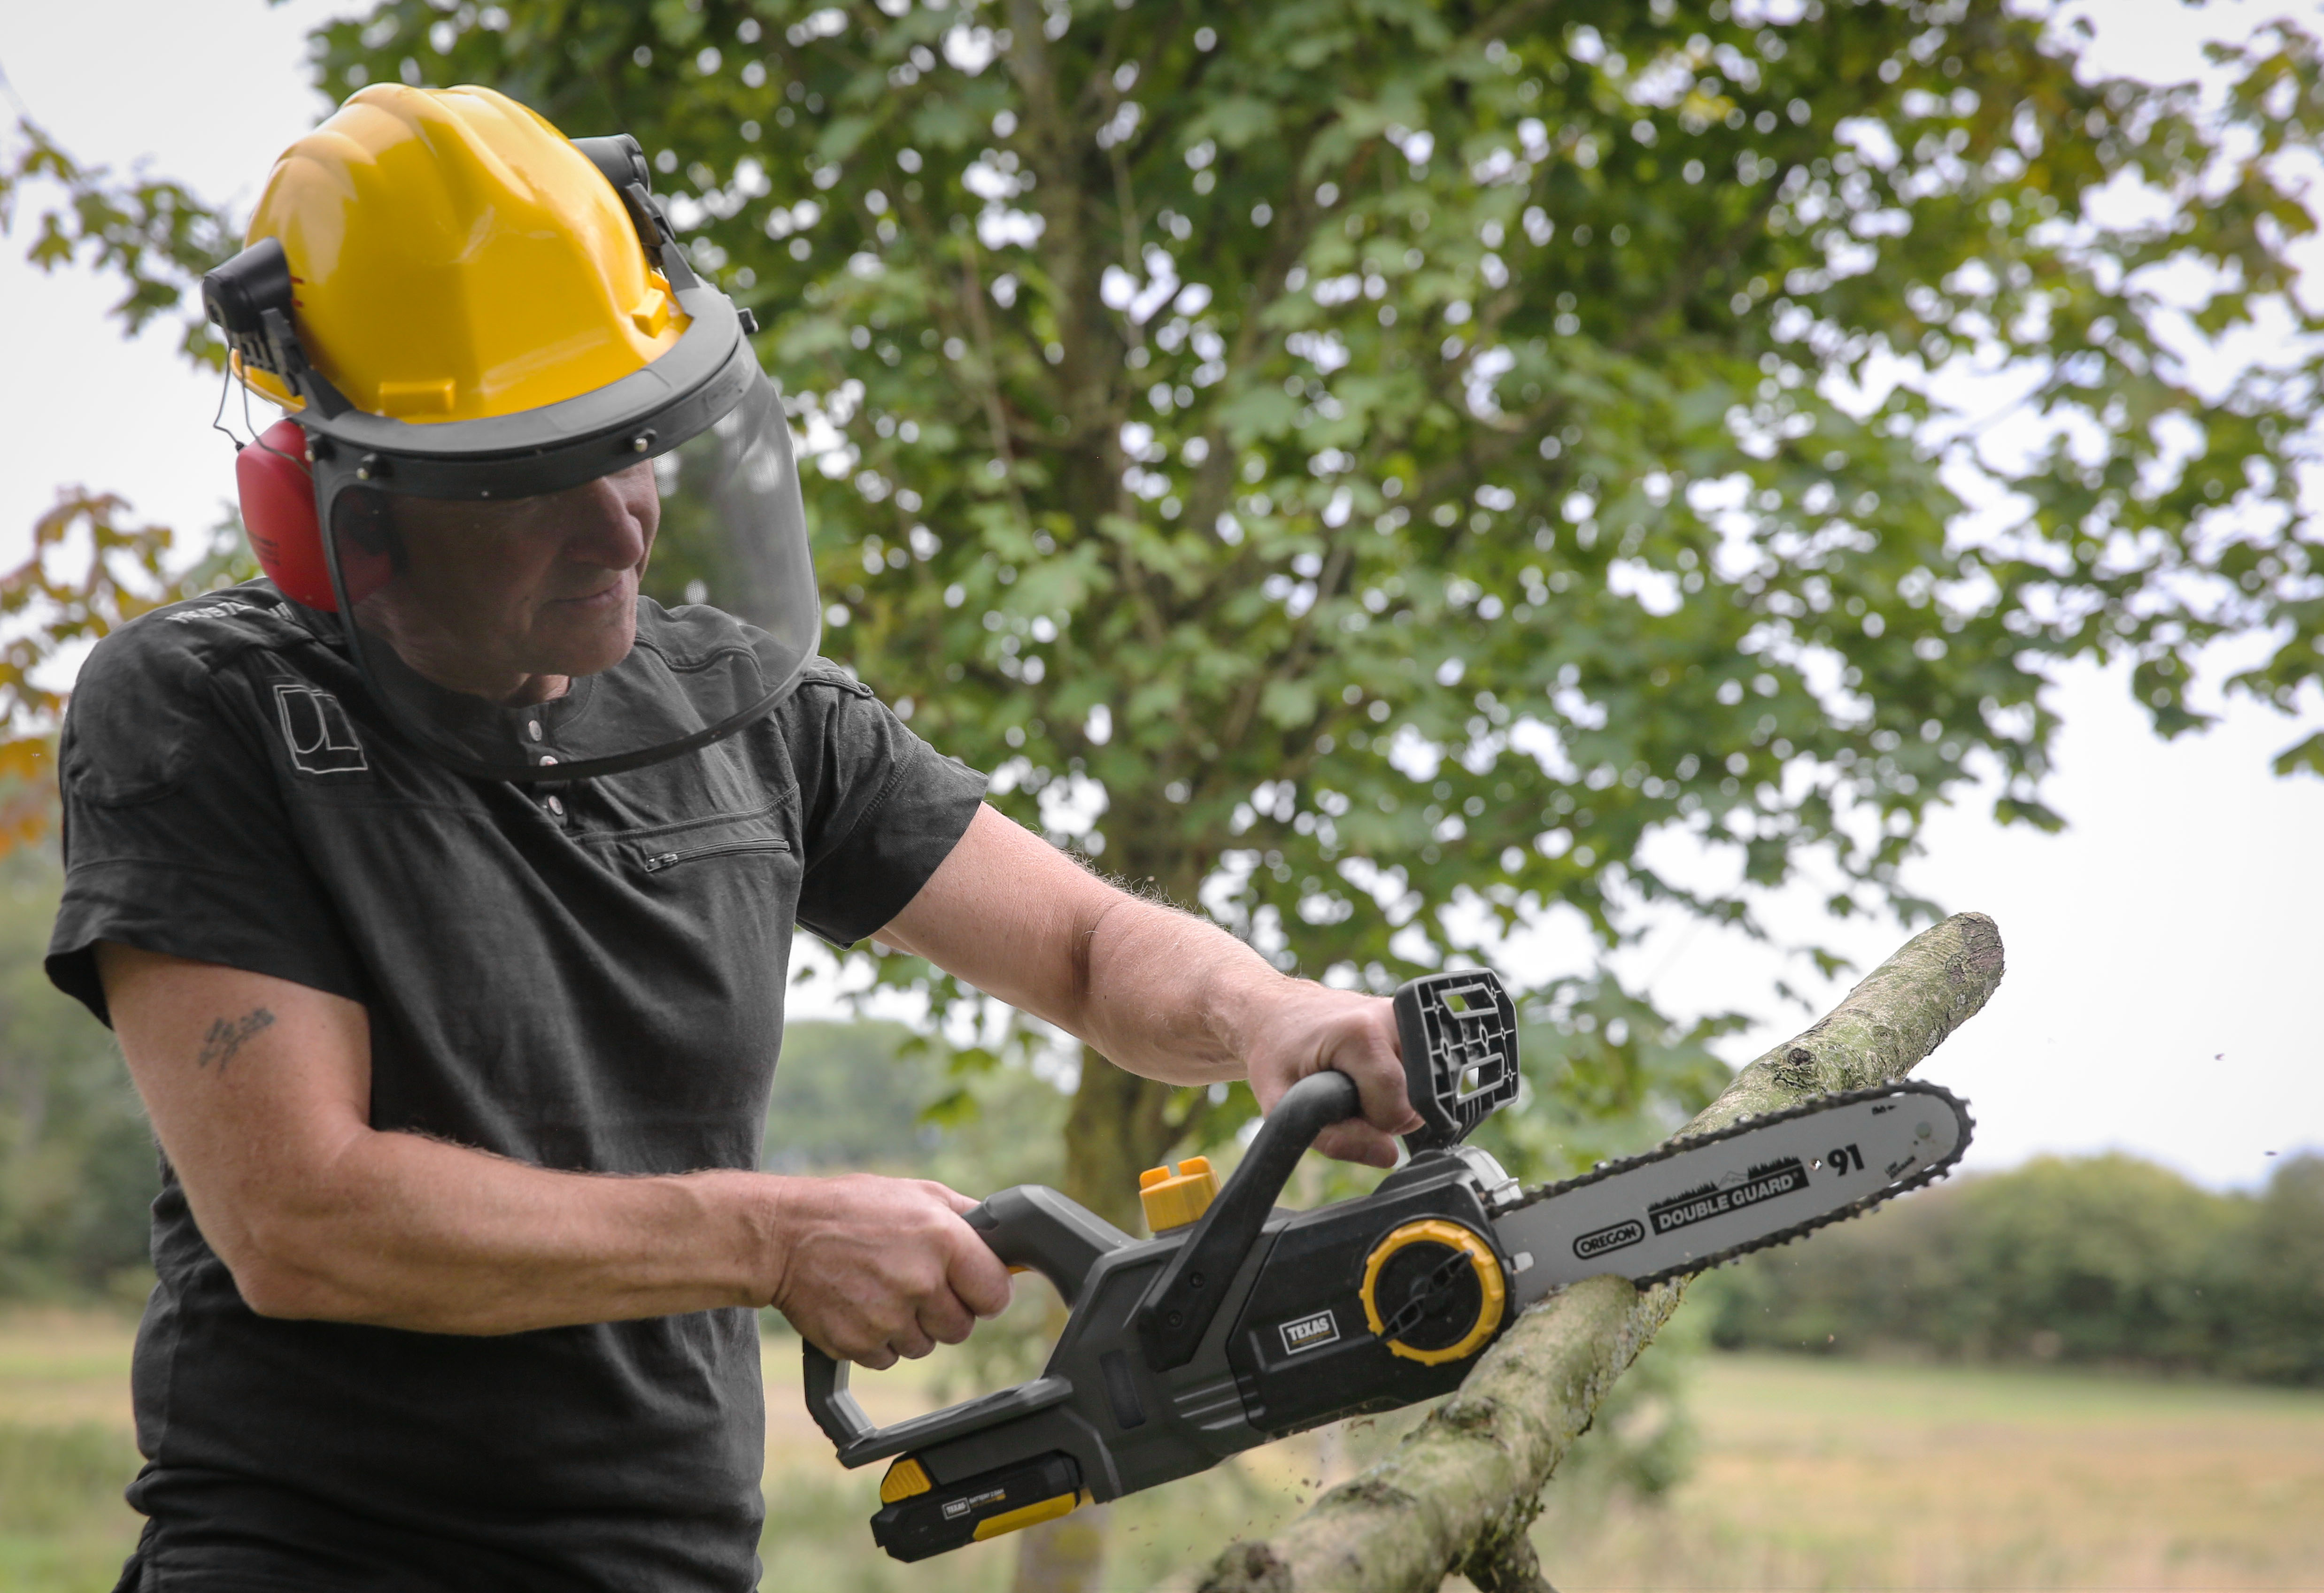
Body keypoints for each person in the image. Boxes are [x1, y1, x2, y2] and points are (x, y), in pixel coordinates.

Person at [46, 84, 1419, 1591]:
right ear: (344, 517)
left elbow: (1090, 948)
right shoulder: (204, 711)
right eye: (536, 480)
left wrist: (1267, 1012)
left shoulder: (741, 705)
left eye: (631, 447)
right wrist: (772, 1237)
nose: (622, 520)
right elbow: (301, 1217)